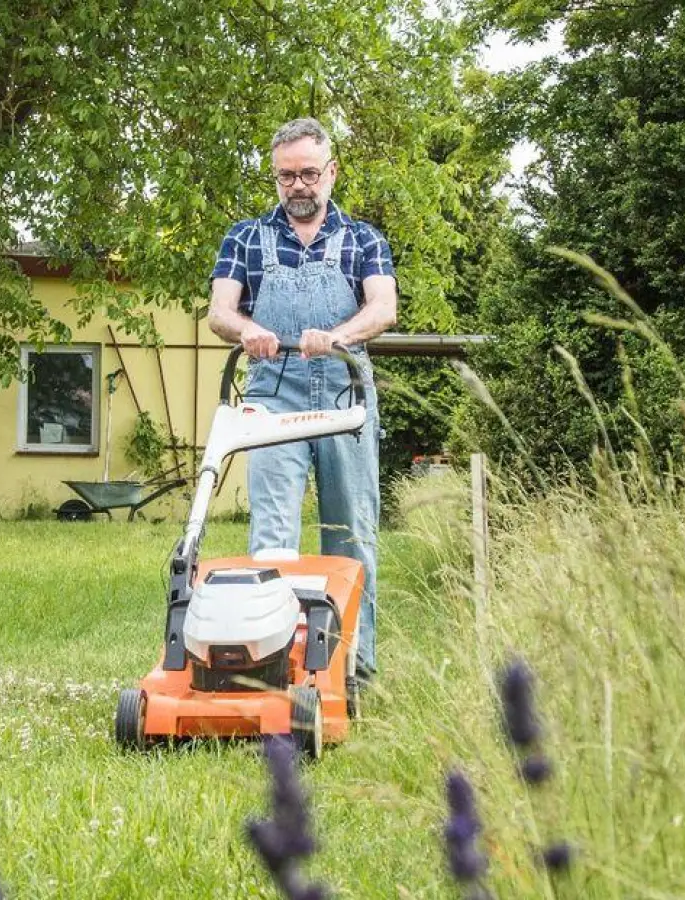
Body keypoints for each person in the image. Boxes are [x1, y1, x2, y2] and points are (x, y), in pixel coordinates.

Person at [207, 117, 398, 680]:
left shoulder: (364, 239)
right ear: (276, 178)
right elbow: (220, 310)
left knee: (351, 533)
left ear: (331, 173)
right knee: (272, 539)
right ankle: (271, 669)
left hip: (343, 390)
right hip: (272, 394)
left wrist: (338, 335)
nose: (298, 186)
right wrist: (246, 330)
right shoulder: (244, 238)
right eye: (286, 175)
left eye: (309, 174)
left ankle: (355, 673)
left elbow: (383, 308)